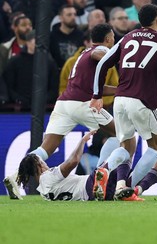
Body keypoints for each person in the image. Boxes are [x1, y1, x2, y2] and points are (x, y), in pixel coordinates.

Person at [3, 24, 120, 200]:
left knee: (45, 149)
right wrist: (117, 58)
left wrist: (122, 89)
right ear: (109, 38)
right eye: (113, 38)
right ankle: (101, 174)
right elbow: (100, 55)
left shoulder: (83, 54)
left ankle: (14, 177)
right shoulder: (101, 50)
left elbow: (98, 87)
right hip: (83, 103)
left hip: (64, 104)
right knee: (122, 134)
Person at [92, 4, 157, 201]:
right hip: (142, 100)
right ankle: (130, 187)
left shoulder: (127, 37)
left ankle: (107, 172)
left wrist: (96, 94)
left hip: (120, 99)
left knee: (127, 146)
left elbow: (102, 63)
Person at [14, 131, 157, 202]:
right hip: (91, 185)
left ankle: (131, 191)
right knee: (124, 149)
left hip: (100, 191)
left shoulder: (43, 192)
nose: (45, 162)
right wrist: (83, 140)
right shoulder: (48, 177)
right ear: (38, 164)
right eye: (42, 161)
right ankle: (110, 176)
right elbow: (73, 161)